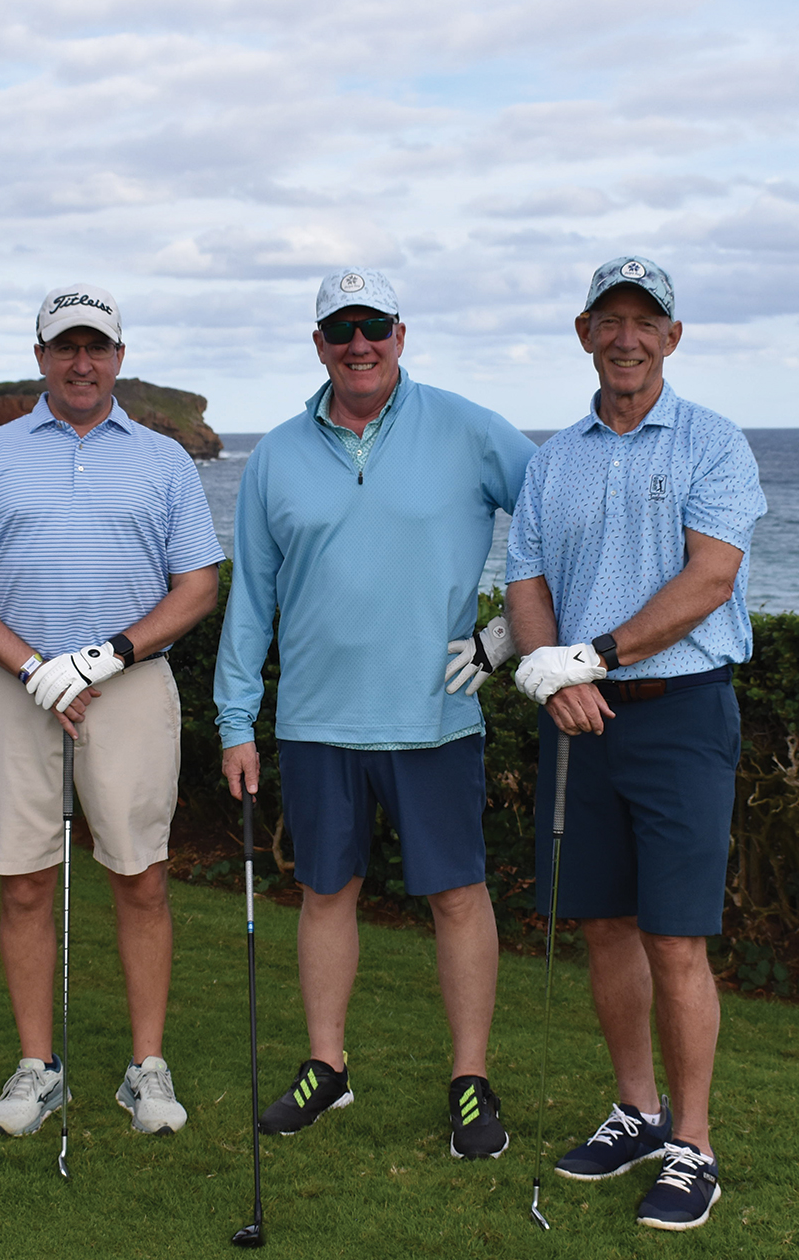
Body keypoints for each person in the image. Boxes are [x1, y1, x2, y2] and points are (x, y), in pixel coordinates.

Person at [214, 268, 536, 1160]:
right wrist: (234, 719)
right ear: (318, 342)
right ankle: (329, 1066)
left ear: (402, 332)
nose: (360, 343)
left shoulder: (468, 428)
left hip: (436, 718)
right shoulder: (277, 451)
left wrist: (508, 637)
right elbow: (252, 599)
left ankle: (470, 1079)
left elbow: (557, 518)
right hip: (316, 722)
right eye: (340, 327)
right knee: (325, 894)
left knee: (459, 897)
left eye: (375, 326)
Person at [0, 284, 222, 1138]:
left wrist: (107, 653)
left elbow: (197, 585)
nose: (81, 362)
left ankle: (146, 1068)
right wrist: (30, 664)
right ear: (41, 356)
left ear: (119, 357)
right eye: (65, 347)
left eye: (96, 347)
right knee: (21, 882)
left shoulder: (162, 459)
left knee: (142, 876)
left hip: (129, 687)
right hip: (18, 693)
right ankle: (35, 1066)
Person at [505, 255, 766, 1230]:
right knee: (605, 923)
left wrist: (590, 657)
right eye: (608, 320)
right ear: (584, 334)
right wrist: (546, 670)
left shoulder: (713, 444)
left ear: (672, 337)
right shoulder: (552, 458)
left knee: (676, 936)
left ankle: (694, 1144)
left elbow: (709, 579)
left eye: (644, 322)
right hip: (581, 716)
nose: (626, 337)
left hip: (681, 709)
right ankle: (638, 1113)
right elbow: (525, 580)